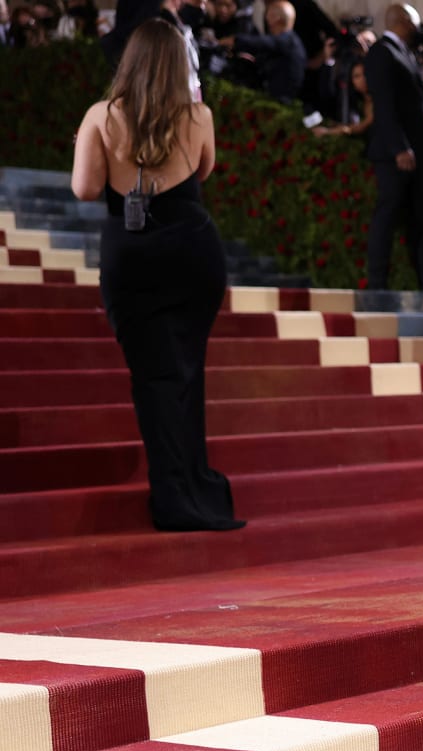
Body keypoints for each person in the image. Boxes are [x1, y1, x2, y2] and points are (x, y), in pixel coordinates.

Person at [70, 19, 245, 532]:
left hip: (133, 257)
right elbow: (204, 172)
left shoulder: (102, 115)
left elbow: (86, 189)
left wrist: (88, 143)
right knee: (188, 372)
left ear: (130, 62)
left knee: (153, 378)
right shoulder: (200, 115)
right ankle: (199, 490)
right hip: (194, 252)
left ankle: (174, 497)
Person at [364, 3, 423, 291]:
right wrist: (399, 147)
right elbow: (385, 104)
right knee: (387, 215)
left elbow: (416, 107)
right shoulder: (381, 52)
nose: (419, 28)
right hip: (396, 154)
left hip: (417, 151)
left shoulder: (405, 54)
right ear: (402, 21)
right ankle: (377, 283)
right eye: (415, 22)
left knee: (421, 216)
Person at [219, 1, 304, 105]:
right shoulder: (292, 41)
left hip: (277, 102)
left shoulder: (287, 41)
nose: (266, 17)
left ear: (276, 18)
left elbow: (261, 43)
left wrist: (231, 41)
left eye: (268, 13)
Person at [312, 61, 371, 137]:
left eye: (365, 73)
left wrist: (328, 132)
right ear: (351, 81)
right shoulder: (359, 101)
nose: (363, 79)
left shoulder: (377, 101)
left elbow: (361, 126)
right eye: (357, 76)